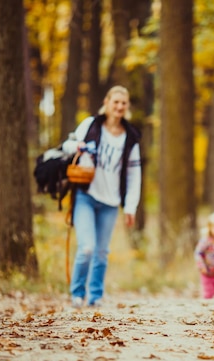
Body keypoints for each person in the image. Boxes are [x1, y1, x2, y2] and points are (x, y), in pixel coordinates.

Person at [62, 85, 141, 309]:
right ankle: (77, 294)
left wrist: (130, 207)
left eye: (123, 103)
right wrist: (78, 145)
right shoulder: (91, 124)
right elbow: (66, 146)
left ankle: (95, 296)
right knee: (87, 247)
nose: (119, 107)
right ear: (106, 103)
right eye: (115, 102)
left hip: (110, 201)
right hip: (86, 195)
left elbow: (135, 175)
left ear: (127, 107)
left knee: (102, 252)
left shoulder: (130, 137)